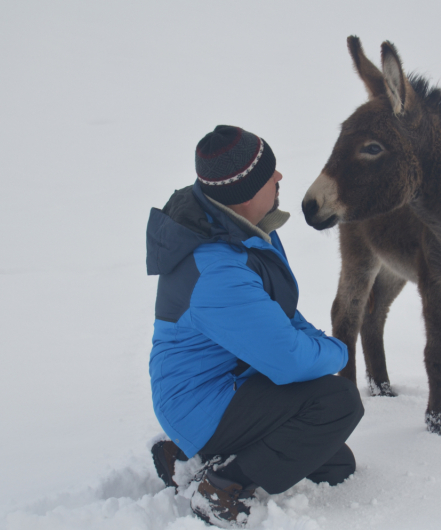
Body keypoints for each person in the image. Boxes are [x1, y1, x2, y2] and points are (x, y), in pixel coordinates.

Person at [145, 125, 364, 527]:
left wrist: (314, 342)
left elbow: (277, 315)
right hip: (199, 400)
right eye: (270, 174)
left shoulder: (242, 229)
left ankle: (188, 457)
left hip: (235, 377)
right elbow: (288, 359)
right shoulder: (217, 267)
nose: (279, 178)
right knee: (338, 403)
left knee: (335, 464)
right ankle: (220, 485)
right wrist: (338, 350)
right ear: (245, 192)